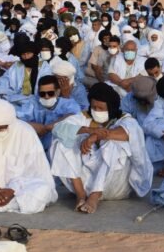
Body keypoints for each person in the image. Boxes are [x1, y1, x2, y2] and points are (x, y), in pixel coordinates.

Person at [49, 82, 153, 213]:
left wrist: (96, 136)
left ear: (110, 107)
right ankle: (80, 196)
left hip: (115, 185)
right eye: (94, 107)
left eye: (101, 108)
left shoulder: (124, 118)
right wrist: (88, 129)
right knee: (62, 141)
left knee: (114, 143)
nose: (96, 111)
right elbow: (58, 129)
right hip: (86, 180)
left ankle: (94, 196)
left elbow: (128, 132)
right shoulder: (84, 117)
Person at [22, 74, 82, 151]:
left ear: (58, 92)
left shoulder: (69, 105)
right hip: (35, 147)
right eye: (42, 94)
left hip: (58, 149)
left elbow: (74, 118)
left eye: (50, 93)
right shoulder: (32, 103)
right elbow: (20, 121)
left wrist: (46, 128)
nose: (46, 96)